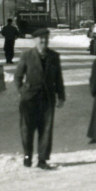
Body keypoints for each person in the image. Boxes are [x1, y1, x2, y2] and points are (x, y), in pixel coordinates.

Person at [15, 30, 66, 169]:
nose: (44, 41)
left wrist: (61, 96)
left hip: (47, 98)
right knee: (27, 129)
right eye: (41, 39)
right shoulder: (27, 55)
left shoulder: (54, 56)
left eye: (46, 38)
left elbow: (58, 78)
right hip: (29, 99)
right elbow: (18, 76)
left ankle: (42, 159)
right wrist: (22, 91)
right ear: (35, 40)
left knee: (46, 129)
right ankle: (27, 155)